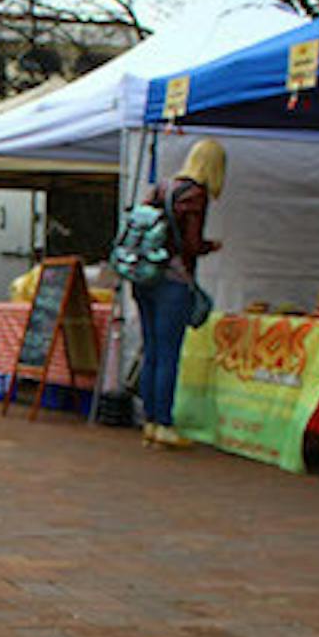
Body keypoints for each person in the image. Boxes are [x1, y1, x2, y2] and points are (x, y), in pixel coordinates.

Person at [137, 138, 225, 449]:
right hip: (173, 282)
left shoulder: (162, 187)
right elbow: (190, 244)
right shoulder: (195, 194)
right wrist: (210, 246)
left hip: (144, 278)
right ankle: (164, 423)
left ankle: (149, 420)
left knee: (151, 350)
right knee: (169, 354)